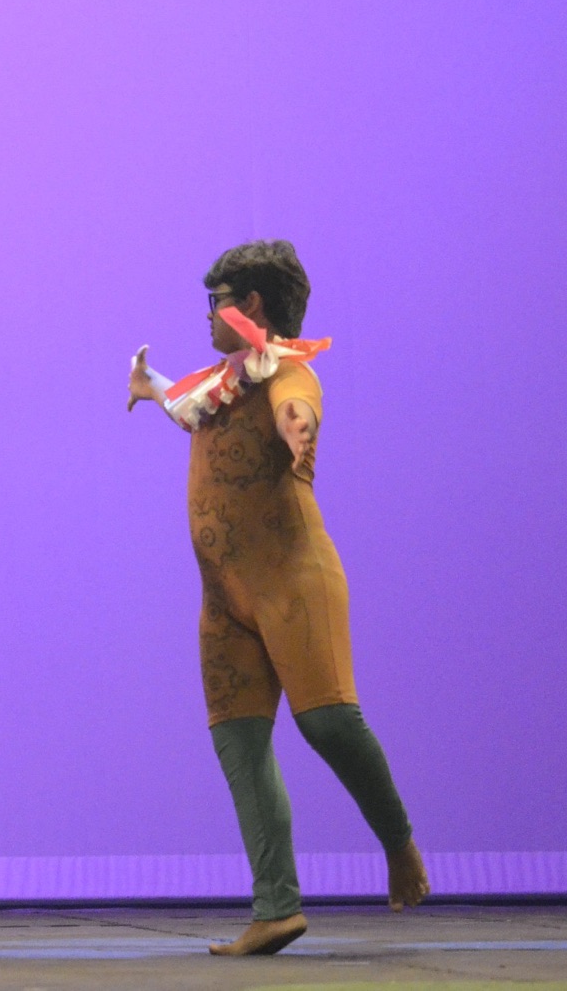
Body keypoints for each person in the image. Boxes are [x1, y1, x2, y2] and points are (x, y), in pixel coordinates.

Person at [127, 240, 429, 957]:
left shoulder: (287, 372)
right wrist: (150, 383)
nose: (207, 315)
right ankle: (276, 907)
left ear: (251, 305)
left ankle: (399, 843)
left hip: (294, 583)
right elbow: (187, 407)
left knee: (328, 724)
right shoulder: (219, 385)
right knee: (238, 741)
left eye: (216, 302)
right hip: (224, 601)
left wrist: (299, 423)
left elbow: (298, 400)